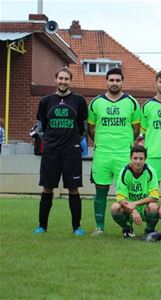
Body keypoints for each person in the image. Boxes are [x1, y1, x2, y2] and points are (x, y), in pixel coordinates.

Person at [33, 67, 87, 235]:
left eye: (66, 79)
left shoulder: (79, 100)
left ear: (70, 81)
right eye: (60, 78)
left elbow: (83, 127)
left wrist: (73, 141)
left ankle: (77, 227)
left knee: (73, 188)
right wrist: (49, 141)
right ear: (55, 80)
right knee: (47, 187)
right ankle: (42, 226)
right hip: (51, 152)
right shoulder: (45, 101)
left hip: (71, 151)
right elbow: (41, 127)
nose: (63, 82)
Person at [88, 68, 141, 235]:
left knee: (125, 193)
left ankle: (127, 227)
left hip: (123, 154)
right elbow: (90, 127)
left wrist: (125, 144)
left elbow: (136, 129)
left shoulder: (132, 102)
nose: (114, 83)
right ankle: (99, 227)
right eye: (111, 80)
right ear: (106, 81)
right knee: (100, 190)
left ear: (122, 82)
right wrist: (101, 143)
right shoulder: (96, 103)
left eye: (118, 80)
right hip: (102, 154)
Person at [111, 145, 160, 238]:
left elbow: (154, 196)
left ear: (145, 159)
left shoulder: (150, 171)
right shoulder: (124, 172)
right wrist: (133, 210)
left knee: (154, 206)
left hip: (144, 207)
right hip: (128, 207)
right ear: (130, 158)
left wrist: (135, 203)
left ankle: (149, 231)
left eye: (141, 158)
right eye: (135, 158)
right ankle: (127, 228)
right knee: (115, 207)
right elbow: (121, 198)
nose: (138, 161)